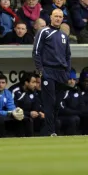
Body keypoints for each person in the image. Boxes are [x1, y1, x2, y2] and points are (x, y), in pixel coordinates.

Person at [32, 8, 71, 136]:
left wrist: (67, 73)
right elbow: (36, 52)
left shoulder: (64, 35)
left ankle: (52, 130)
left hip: (61, 73)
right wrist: (41, 71)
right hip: (48, 71)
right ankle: (50, 131)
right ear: (51, 17)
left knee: (57, 104)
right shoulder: (43, 32)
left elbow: (68, 56)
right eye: (56, 16)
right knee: (49, 102)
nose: (58, 18)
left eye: (60, 16)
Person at [9, 72, 44, 137]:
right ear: (26, 83)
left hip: (28, 115)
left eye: (36, 82)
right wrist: (29, 113)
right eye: (33, 82)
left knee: (46, 119)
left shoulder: (33, 91)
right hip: (14, 116)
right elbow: (13, 109)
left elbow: (36, 106)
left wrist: (39, 113)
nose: (35, 85)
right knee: (26, 120)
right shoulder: (14, 90)